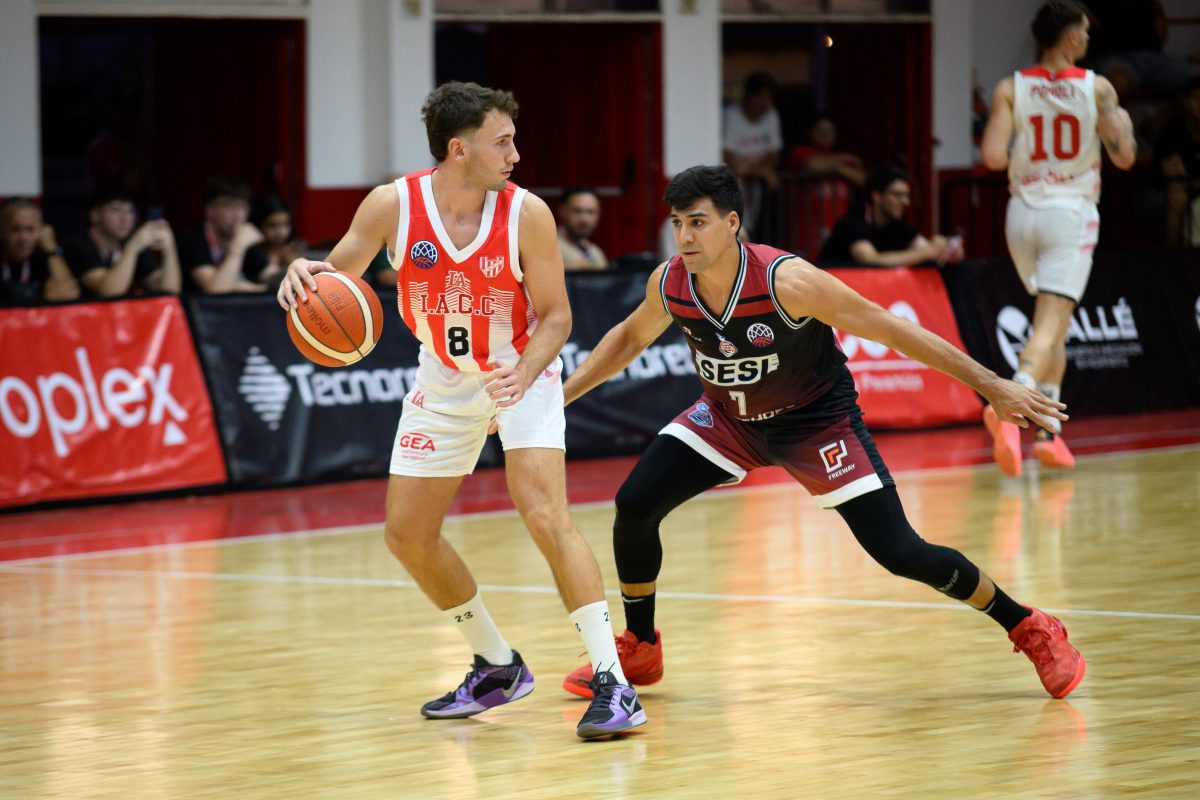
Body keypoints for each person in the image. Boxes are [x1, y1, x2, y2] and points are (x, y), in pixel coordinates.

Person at [557, 164, 1085, 704]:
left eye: (698, 222)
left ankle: (1028, 624)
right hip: (728, 419)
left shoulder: (787, 282)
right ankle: (642, 646)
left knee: (900, 551)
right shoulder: (670, 282)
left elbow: (893, 329)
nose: (685, 236)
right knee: (635, 504)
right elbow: (628, 339)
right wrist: (561, 398)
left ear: (732, 223)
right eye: (677, 223)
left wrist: (992, 385)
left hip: (814, 422)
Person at [275, 81, 644, 739]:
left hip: (519, 369)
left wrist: (526, 372)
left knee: (544, 512)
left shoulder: (527, 213)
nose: (515, 155)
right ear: (459, 150)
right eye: (502, 142)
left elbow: (557, 315)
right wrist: (302, 275)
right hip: (444, 379)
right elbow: (334, 283)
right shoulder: (392, 205)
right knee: (406, 534)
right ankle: (496, 664)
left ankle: (613, 681)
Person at [981, 0, 1136, 476]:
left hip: (1021, 215)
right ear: (1071, 37)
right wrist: (1125, 129)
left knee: (1057, 320)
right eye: (1085, 31)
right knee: (1049, 323)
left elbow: (993, 157)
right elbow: (1124, 157)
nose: (1088, 38)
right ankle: (1010, 400)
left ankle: (1049, 432)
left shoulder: (1011, 87)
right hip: (1068, 214)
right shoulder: (1097, 88)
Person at [818, 164, 964, 267]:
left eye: (906, 195)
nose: (906, 202)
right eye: (898, 195)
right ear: (877, 197)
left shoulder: (897, 225)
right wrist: (929, 252)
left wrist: (948, 249)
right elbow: (870, 259)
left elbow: (925, 248)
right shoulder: (852, 223)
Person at [62, 189, 181, 298]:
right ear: (95, 215)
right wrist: (133, 248)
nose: (125, 218)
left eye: (131, 211)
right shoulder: (78, 244)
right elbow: (109, 292)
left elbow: (169, 292)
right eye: (116, 210)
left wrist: (169, 248)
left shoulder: (130, 241)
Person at [178, 176, 269, 293]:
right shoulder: (193, 239)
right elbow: (216, 290)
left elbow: (272, 277)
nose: (238, 215)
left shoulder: (245, 239)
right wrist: (238, 248)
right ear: (210, 210)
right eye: (229, 206)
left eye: (242, 206)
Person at [723, 71, 783, 242]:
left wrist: (756, 171)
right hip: (732, 185)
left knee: (751, 228)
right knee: (734, 226)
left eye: (769, 98)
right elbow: (728, 157)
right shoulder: (730, 115)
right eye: (761, 97)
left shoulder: (771, 115)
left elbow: (774, 153)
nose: (766, 103)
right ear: (748, 97)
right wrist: (758, 172)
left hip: (755, 188)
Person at [0, 198, 80, 306]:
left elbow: (68, 296)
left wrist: (51, 250)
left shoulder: (47, 258)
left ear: (41, 230)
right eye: (15, 229)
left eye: (30, 229)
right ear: (2, 230)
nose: (23, 237)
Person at [1156, 75, 1200, 245]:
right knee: (1176, 196)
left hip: (1193, 185)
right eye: (1196, 98)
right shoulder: (1172, 132)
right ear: (1185, 101)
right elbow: (1172, 177)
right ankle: (1174, 255)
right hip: (1174, 188)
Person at [249, 194, 306, 289]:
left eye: (286, 224)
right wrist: (290, 263)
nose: (281, 232)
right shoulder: (252, 252)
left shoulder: (293, 247)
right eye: (272, 225)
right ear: (258, 226)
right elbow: (274, 281)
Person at [557, 186, 609, 271]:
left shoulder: (596, 252)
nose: (584, 219)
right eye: (577, 211)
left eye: (590, 212)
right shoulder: (549, 246)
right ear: (562, 211)